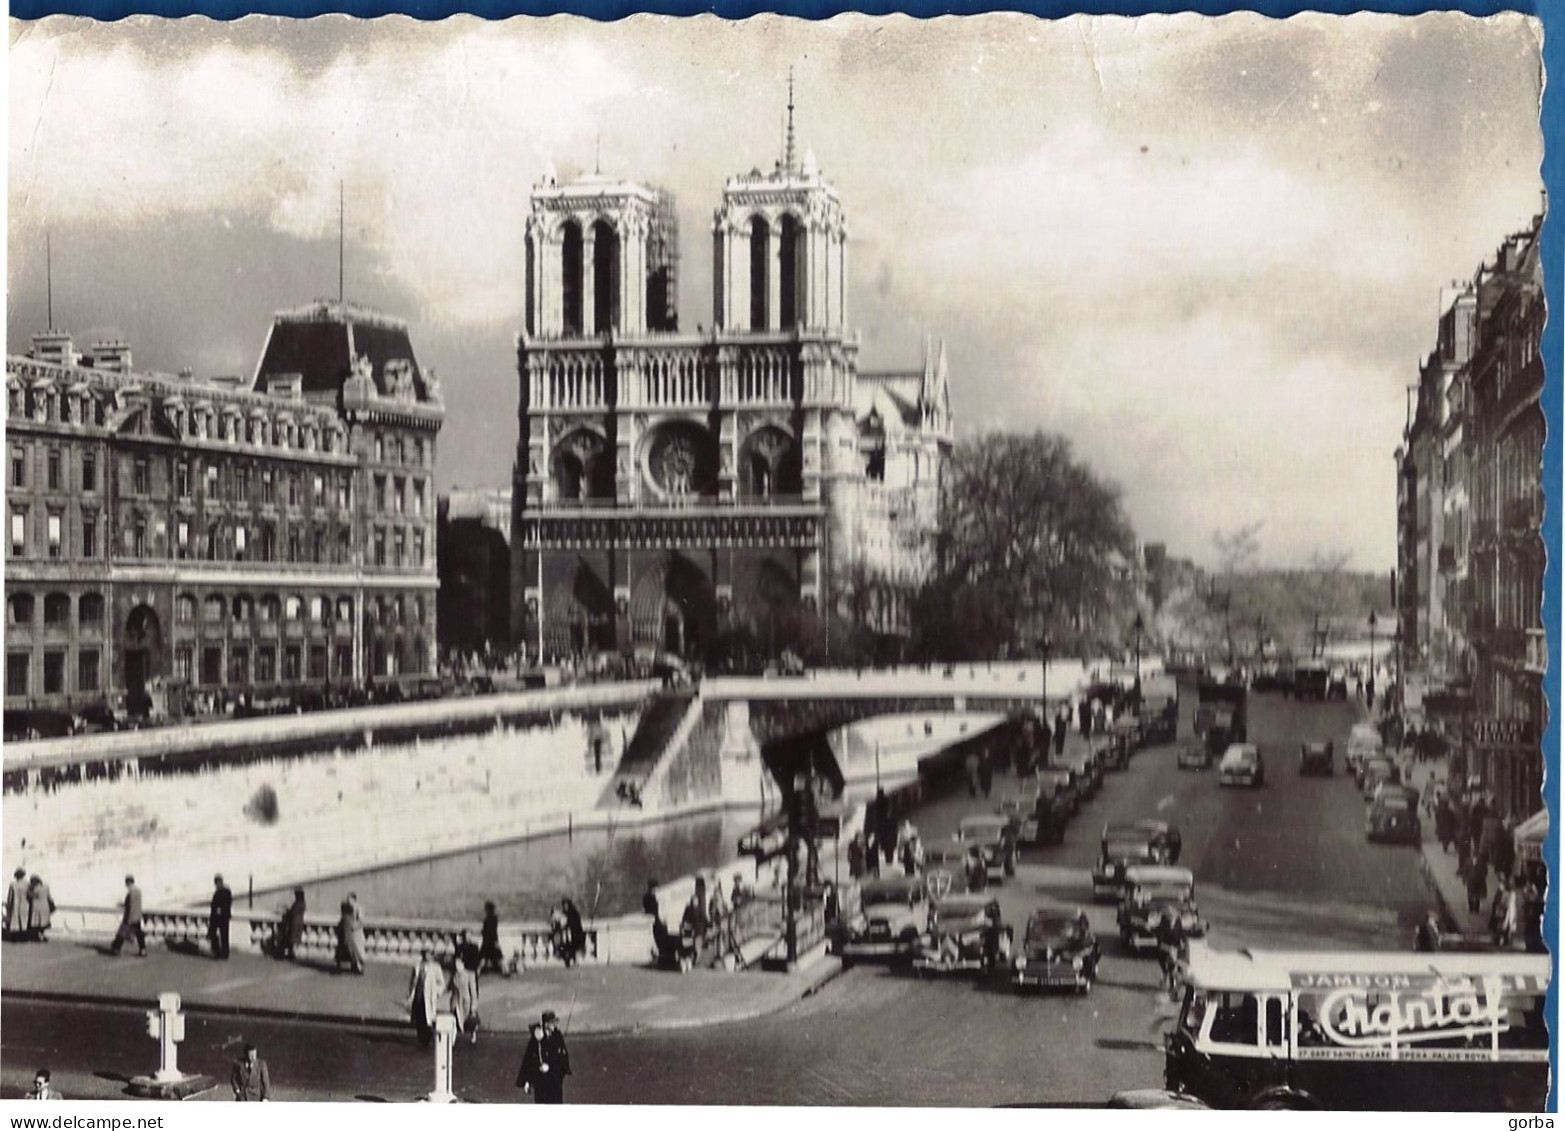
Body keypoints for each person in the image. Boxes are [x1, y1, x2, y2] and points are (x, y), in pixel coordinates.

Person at [406, 951, 445, 1048]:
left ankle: (427, 1038)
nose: (427, 956)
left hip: (429, 997)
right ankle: (421, 1038)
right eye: (425, 954)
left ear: (432, 956)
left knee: (428, 1018)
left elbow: (441, 983)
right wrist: (411, 992)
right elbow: (413, 981)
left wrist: (436, 993)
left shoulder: (435, 967)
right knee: (419, 1018)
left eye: (429, 954)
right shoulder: (417, 966)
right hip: (418, 996)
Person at [450, 938, 481, 1044]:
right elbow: (451, 987)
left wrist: (473, 1007)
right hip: (455, 1002)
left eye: (459, 963)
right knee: (454, 1021)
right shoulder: (454, 975)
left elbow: (473, 992)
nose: (457, 965)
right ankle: (452, 1038)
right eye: (456, 964)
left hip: (466, 1002)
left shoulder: (470, 975)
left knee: (469, 1022)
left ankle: (473, 1034)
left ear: (462, 964)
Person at [515, 1022, 554, 1103]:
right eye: (536, 1030)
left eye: (540, 1029)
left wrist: (549, 1066)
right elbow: (527, 1064)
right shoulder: (532, 1045)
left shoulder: (550, 1042)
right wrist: (527, 1082)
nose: (539, 1032)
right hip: (538, 1081)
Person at [110, 875, 146, 957]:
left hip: (130, 917)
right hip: (137, 916)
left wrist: (129, 919)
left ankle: (116, 948)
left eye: (126, 884)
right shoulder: (138, 891)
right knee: (139, 934)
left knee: (122, 933)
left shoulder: (131, 893)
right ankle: (143, 950)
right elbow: (135, 905)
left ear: (128, 883)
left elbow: (131, 906)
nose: (126, 886)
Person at [541, 1010, 571, 1102]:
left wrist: (563, 1070)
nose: (554, 1024)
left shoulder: (558, 1035)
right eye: (552, 1022)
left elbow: (563, 1054)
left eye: (555, 1021)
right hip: (543, 1079)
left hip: (556, 1077)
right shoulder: (539, 1037)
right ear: (546, 1024)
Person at [277, 889, 306, 961]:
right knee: (293, 940)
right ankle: (291, 954)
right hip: (299, 923)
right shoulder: (302, 903)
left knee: (289, 938)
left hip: (294, 923)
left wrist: (287, 910)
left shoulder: (298, 903)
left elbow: (293, 912)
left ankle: (288, 954)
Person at [209, 875, 232, 960]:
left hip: (219, 917)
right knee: (224, 935)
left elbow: (219, 905)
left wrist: (218, 911)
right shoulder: (226, 891)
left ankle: (218, 952)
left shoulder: (220, 892)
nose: (217, 885)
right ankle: (223, 953)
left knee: (219, 934)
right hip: (224, 917)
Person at [26, 875, 54, 943]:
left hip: (37, 907)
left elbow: (31, 896)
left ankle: (38, 937)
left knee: (37, 923)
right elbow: (49, 897)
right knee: (43, 923)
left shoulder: (36, 888)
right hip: (45, 906)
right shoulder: (46, 886)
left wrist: (28, 890)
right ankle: (42, 935)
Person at [479, 901, 505, 975]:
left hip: (487, 942)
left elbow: (487, 931)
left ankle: (478, 972)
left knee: (483, 957)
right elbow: (493, 932)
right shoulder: (494, 919)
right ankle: (505, 970)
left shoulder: (487, 920)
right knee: (499, 957)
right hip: (493, 941)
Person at [6, 868, 30, 940]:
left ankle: (15, 937)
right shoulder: (27, 884)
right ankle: (23, 937)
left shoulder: (13, 884)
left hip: (15, 903)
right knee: (24, 919)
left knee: (15, 919)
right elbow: (29, 895)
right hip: (24, 903)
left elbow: (10, 897)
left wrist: (8, 905)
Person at [562, 899, 587, 966]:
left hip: (576, 933)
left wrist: (565, 926)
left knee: (573, 946)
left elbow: (571, 923)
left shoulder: (572, 913)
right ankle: (574, 960)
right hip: (575, 932)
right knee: (573, 947)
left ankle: (574, 960)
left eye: (566, 906)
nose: (565, 907)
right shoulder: (572, 912)